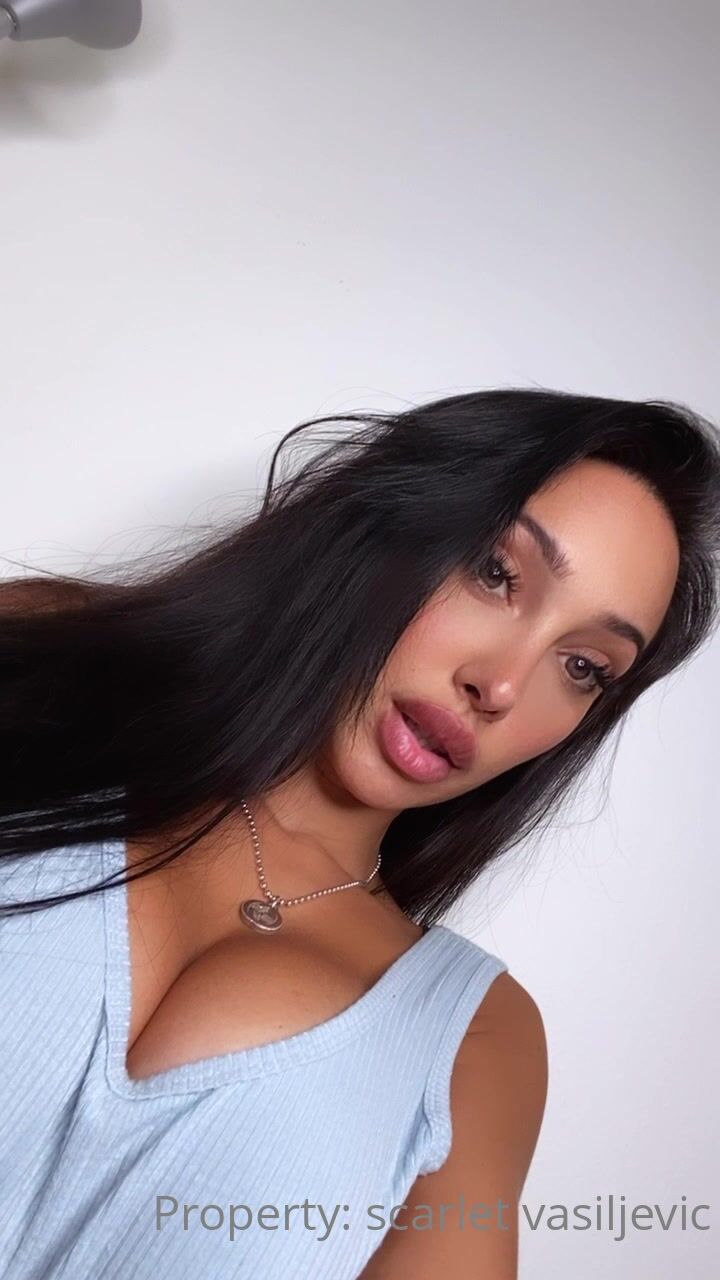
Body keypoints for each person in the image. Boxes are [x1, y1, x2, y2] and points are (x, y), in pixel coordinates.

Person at [1, 387, 719, 1280]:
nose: (501, 685)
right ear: (390, 520)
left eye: (582, 666)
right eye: (496, 573)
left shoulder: (473, 1044)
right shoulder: (42, 665)